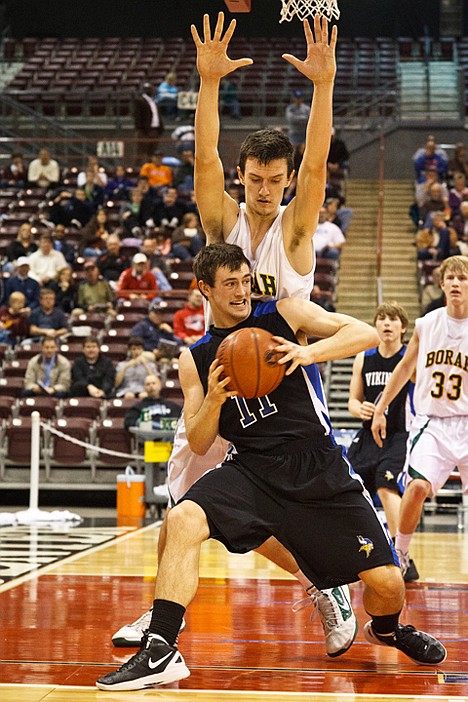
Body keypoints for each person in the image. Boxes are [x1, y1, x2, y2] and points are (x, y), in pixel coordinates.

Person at [112, 12, 357, 656]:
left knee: (279, 513)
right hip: (225, 378)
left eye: (277, 180)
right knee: (182, 499)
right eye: (258, 179)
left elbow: (317, 164)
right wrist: (209, 83)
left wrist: (324, 87)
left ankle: (325, 584)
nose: (270, 190)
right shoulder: (225, 224)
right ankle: (161, 616)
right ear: (242, 179)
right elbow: (202, 159)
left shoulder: (297, 230)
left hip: (288, 388)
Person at [96, 244, 446, 691]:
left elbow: (364, 334)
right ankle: (161, 648)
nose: (242, 292)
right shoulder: (195, 358)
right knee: (183, 517)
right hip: (252, 470)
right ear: (204, 289)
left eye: (245, 280)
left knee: (388, 584)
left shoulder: (283, 314)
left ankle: (387, 629)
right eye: (230, 285)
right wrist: (217, 399)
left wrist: (308, 355)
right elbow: (200, 439)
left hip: (317, 464)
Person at [371, 254, 468, 579]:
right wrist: (381, 407)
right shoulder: (427, 325)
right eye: (451, 278)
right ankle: (400, 553)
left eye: (463, 278)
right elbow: (403, 368)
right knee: (415, 488)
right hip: (432, 422)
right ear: (441, 284)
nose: (456, 283)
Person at [347, 302, 419, 582]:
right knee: (348, 486)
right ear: (375, 325)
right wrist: (358, 409)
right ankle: (357, 549)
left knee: (385, 483)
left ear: (403, 327)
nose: (387, 324)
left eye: (393, 319)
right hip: (367, 435)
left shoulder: (408, 359)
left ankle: (402, 554)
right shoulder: (363, 358)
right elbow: (353, 400)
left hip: (399, 434)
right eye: (382, 319)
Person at [134, 83, 163, 160]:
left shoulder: (153, 101)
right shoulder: (139, 101)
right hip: (145, 131)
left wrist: (160, 128)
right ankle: (139, 169)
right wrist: (142, 130)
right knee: (141, 152)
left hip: (155, 130)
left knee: (153, 153)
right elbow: (137, 117)